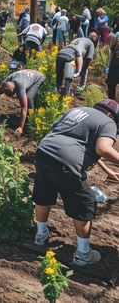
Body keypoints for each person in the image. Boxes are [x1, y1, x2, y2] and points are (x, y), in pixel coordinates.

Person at [32, 99, 119, 267]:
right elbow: (103, 149)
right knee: (85, 204)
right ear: (110, 115)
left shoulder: (77, 111)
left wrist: (107, 170)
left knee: (44, 194)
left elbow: (73, 140)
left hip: (44, 151)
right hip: (67, 161)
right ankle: (83, 254)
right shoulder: (108, 122)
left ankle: (40, 236)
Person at [0, 70, 45, 135]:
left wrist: (20, 127)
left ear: (14, 90)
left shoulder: (20, 86)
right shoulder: (6, 83)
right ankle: (26, 119)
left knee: (29, 97)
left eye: (9, 94)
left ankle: (31, 122)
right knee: (26, 96)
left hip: (38, 77)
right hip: (27, 76)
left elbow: (24, 108)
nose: (8, 97)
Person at [107, 35, 119, 100]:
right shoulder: (115, 44)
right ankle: (112, 102)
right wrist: (108, 66)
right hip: (113, 67)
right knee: (110, 85)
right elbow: (111, 54)